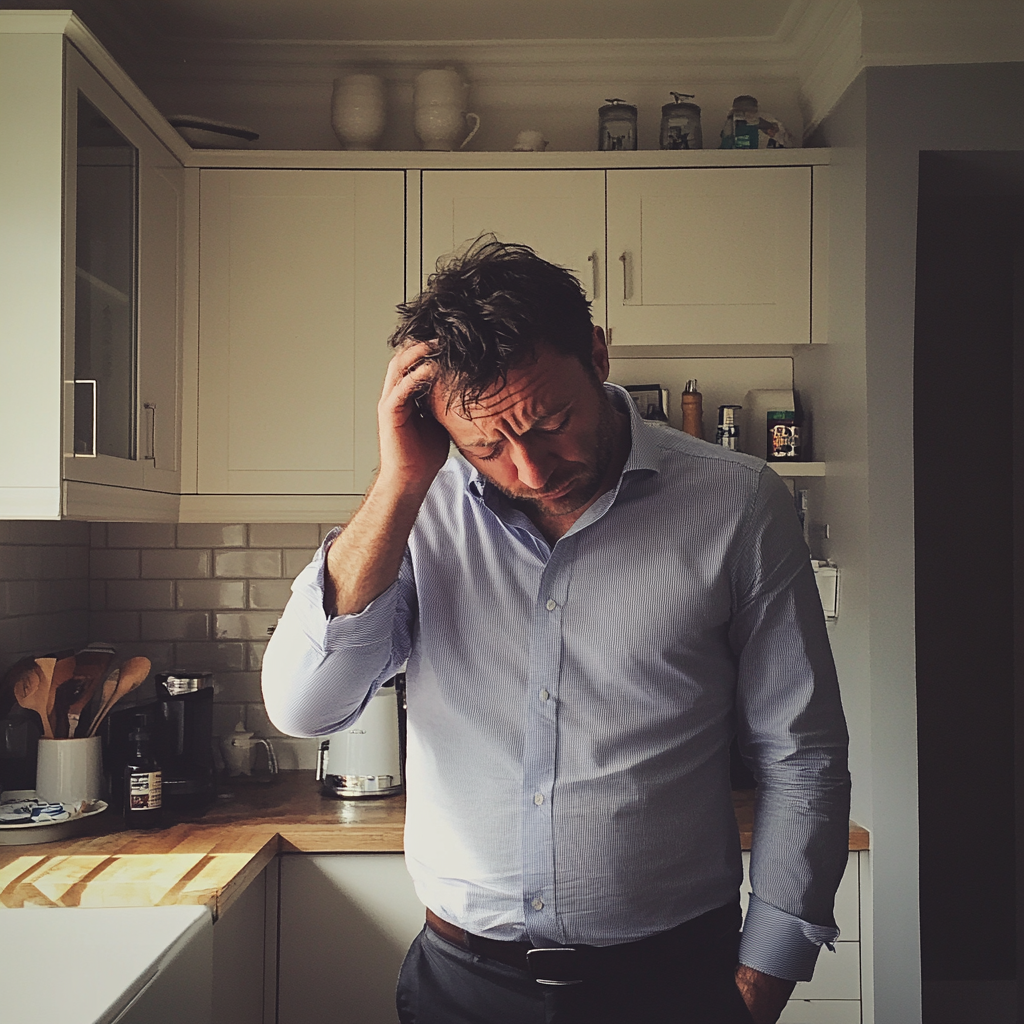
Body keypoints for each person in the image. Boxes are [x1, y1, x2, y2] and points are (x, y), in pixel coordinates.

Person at [262, 238, 851, 1024]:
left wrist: (760, 982)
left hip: (673, 982)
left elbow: (801, 751)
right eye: (486, 446)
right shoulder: (417, 508)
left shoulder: (739, 504)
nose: (530, 470)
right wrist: (401, 480)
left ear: (598, 354)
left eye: (551, 421)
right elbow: (306, 707)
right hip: (460, 984)